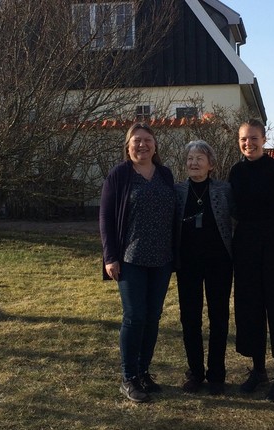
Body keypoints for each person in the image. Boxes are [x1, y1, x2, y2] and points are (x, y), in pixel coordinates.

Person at [99, 122, 175, 403]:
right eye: (136, 141)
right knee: (134, 317)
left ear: (155, 145)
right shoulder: (119, 175)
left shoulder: (165, 174)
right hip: (130, 258)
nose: (142, 145)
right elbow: (105, 218)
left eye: (147, 140)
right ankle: (128, 377)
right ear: (128, 146)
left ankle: (144, 372)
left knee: (153, 317)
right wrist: (110, 257)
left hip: (162, 259)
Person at [228, 119, 274, 402]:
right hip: (245, 244)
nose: (249, 143)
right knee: (251, 308)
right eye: (244, 139)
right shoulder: (235, 171)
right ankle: (258, 371)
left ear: (264, 139)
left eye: (254, 138)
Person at [174, 140, 233, 395]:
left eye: (199, 158)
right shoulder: (177, 191)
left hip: (219, 262)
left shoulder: (224, 190)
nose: (193, 163)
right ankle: (195, 373)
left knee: (218, 318)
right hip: (187, 263)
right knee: (190, 319)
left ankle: (217, 374)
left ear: (211, 164)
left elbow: (246, 214)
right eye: (189, 158)